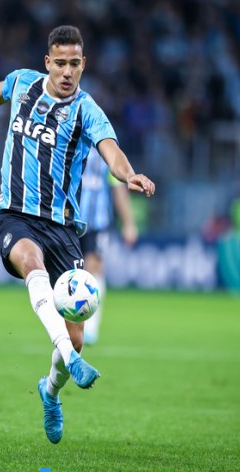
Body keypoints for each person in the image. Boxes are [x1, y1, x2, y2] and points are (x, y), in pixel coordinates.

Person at [0, 25, 155, 444]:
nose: (67, 71)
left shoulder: (87, 110)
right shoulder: (23, 83)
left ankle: (50, 390)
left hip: (63, 227)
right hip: (16, 215)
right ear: (48, 62)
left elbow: (110, 150)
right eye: (60, 63)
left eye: (74, 64)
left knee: (76, 337)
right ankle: (71, 361)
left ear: (84, 65)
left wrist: (129, 174)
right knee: (30, 261)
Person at [80, 144, 138, 345]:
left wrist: (129, 223)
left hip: (98, 222)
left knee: (94, 268)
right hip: (69, 220)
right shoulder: (69, 141)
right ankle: (69, 322)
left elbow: (118, 187)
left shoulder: (106, 148)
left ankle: (90, 327)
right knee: (68, 271)